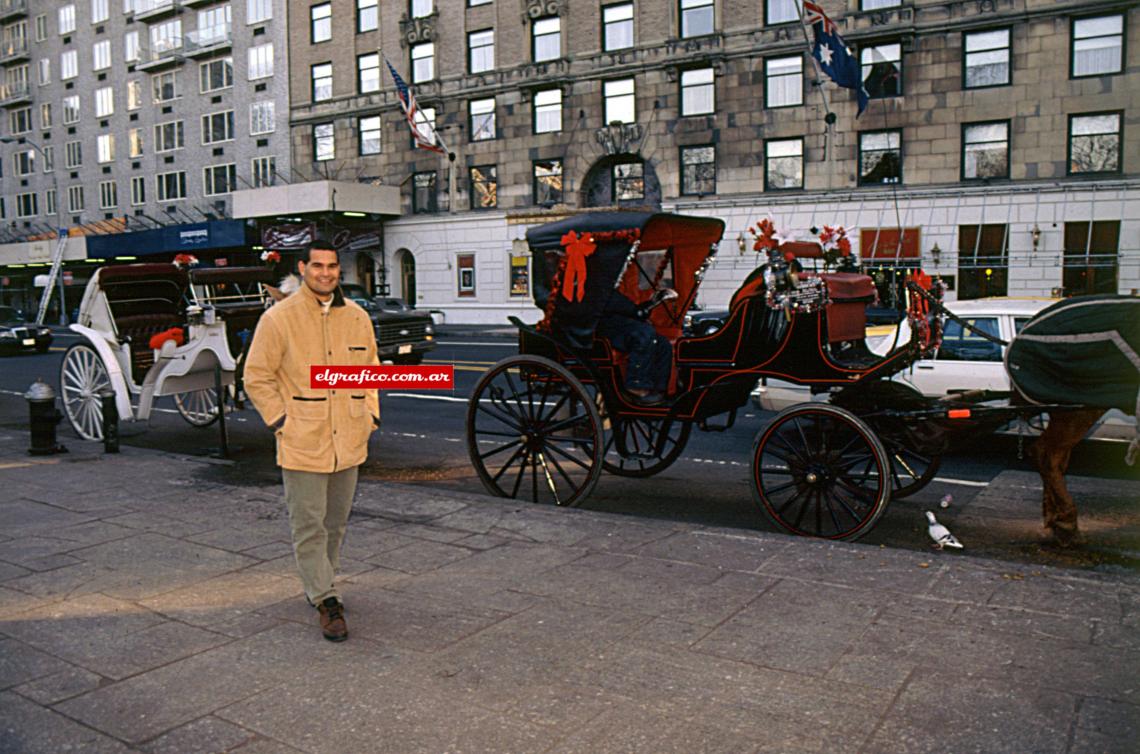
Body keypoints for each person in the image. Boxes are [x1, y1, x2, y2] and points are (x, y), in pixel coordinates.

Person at [244, 242, 380, 642]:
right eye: (317, 265)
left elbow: (370, 369)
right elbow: (257, 377)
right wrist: (281, 420)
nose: (326, 273)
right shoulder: (279, 319)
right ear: (303, 268)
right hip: (303, 438)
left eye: (332, 266)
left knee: (335, 524)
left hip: (350, 437)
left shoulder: (357, 317)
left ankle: (324, 585)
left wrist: (370, 415)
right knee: (308, 525)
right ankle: (325, 598)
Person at [596, 289, 675, 404]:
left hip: (615, 319)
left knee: (662, 343)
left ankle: (659, 390)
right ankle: (635, 385)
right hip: (601, 324)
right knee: (644, 334)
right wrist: (634, 310)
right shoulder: (601, 282)